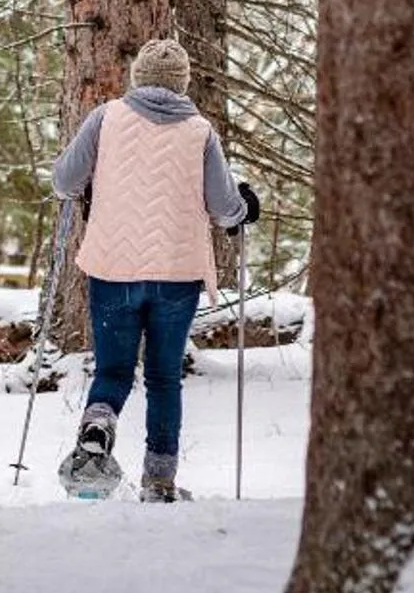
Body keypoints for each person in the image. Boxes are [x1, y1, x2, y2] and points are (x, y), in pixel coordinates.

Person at [49, 37, 258, 501]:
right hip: (176, 274)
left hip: (113, 267)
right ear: (182, 84)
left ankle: (98, 427)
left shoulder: (105, 118)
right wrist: (246, 207)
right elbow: (225, 208)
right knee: (164, 376)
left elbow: (65, 181)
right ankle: (159, 482)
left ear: (137, 78)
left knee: (114, 369)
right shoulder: (200, 131)